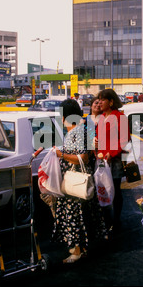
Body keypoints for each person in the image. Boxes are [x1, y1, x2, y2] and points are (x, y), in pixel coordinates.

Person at [52, 98, 107, 263]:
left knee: (73, 216)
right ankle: (81, 249)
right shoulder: (84, 130)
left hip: (75, 181)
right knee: (83, 216)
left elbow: (81, 157)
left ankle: (76, 251)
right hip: (82, 179)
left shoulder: (77, 132)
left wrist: (60, 154)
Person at [96, 88, 130, 233]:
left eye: (103, 99)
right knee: (102, 190)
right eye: (99, 99)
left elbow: (124, 140)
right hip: (102, 160)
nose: (99, 102)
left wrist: (111, 153)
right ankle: (105, 219)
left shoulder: (120, 117)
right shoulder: (102, 117)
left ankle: (116, 221)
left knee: (115, 190)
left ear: (111, 101)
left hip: (114, 160)